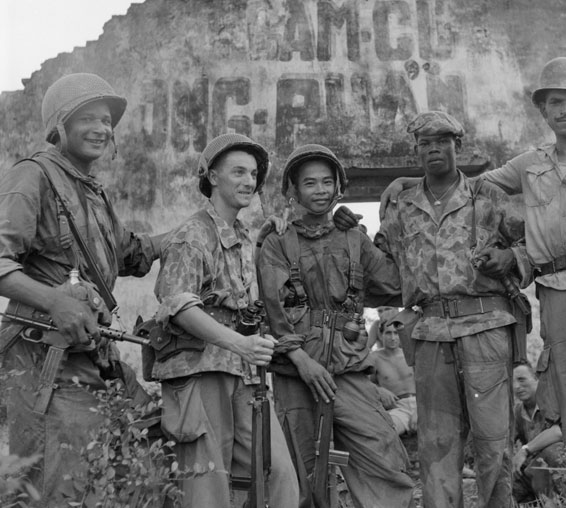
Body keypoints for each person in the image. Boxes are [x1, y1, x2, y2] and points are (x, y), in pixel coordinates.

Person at [380, 59, 566, 500]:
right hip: (555, 292)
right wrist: (413, 177)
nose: (563, 110)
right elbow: (466, 188)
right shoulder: (527, 165)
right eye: (554, 102)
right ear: (543, 111)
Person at [0, 73, 164, 506]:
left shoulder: (92, 191)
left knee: (149, 464)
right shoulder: (32, 176)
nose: (101, 128)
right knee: (60, 490)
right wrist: (55, 301)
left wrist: (192, 231)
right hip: (45, 366)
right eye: (87, 117)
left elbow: (131, 253)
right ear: (60, 124)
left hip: (97, 361)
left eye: (107, 120)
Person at [362, 111, 529, 508]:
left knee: (494, 443)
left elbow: (532, 248)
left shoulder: (487, 197)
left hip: (486, 328)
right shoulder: (401, 206)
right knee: (437, 446)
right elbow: (384, 271)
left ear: (458, 146)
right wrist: (353, 237)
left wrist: (509, 258)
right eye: (424, 143)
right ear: (416, 151)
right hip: (431, 332)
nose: (434, 149)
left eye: (443, 141)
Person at [257, 144, 414, 508]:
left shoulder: (353, 237)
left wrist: (383, 227)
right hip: (296, 373)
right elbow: (273, 309)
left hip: (347, 370)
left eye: (327, 182)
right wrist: (302, 360)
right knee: (303, 474)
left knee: (384, 454)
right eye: (309, 183)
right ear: (292, 192)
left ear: (339, 187)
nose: (320, 190)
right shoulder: (278, 241)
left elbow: (392, 283)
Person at [151, 132, 298, 508]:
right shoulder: (192, 234)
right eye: (238, 172)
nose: (249, 181)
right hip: (201, 372)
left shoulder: (244, 237)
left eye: (253, 174)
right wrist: (239, 344)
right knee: (207, 490)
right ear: (213, 178)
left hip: (245, 375)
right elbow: (178, 304)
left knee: (278, 476)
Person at [511, 363, 566, 504]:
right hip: (532, 472)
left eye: (522, 379)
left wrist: (524, 450)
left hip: (557, 468)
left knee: (552, 451)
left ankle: (558, 501)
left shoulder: (551, 402)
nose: (517, 386)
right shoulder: (517, 412)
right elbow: (506, 440)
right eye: (513, 382)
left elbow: (558, 432)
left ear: (536, 378)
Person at [369, 309, 417, 437]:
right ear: (381, 335)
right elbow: (364, 384)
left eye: (396, 333)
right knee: (385, 432)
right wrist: (379, 389)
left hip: (418, 404)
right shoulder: (374, 358)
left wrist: (420, 410)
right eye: (388, 333)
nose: (393, 338)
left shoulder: (409, 355)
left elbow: (426, 384)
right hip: (397, 408)